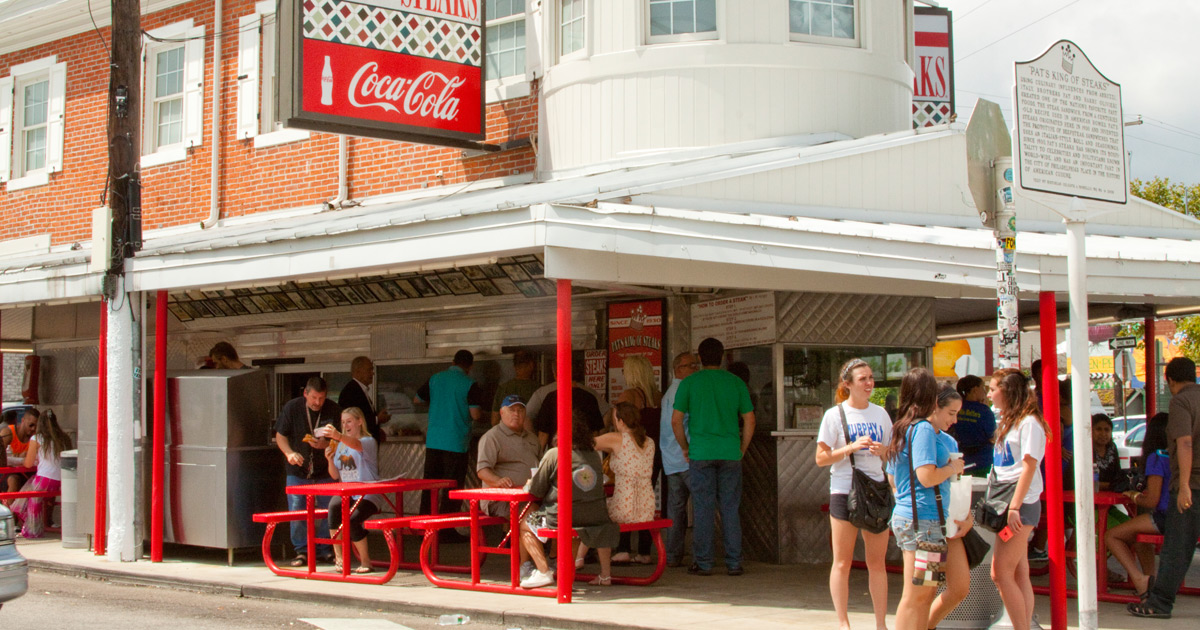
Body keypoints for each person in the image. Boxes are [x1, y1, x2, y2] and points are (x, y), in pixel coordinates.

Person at [816, 357, 892, 630]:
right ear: (847, 385)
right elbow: (821, 458)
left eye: (871, 378)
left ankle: (881, 623)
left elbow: (892, 453)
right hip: (844, 491)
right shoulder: (834, 415)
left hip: (876, 491)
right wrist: (850, 448)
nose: (869, 383)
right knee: (842, 562)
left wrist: (882, 451)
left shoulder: (881, 414)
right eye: (863, 379)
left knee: (877, 562)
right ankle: (843, 622)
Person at [670, 337, 755, 577]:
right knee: (730, 507)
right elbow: (750, 419)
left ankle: (704, 562)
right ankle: (734, 562)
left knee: (703, 508)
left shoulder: (689, 383)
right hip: (730, 453)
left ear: (699, 358)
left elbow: (676, 420)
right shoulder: (736, 382)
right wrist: (742, 448)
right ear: (722, 356)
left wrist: (685, 447)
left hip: (700, 453)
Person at [1130, 356, 1200, 620]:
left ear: (1169, 380)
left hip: (1192, 484)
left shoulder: (1181, 401)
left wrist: (1183, 486)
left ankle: (1159, 603)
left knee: (1177, 548)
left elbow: (1184, 443)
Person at [519, 412, 619, 589]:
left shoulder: (554, 454)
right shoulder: (594, 455)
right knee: (572, 536)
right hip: (594, 516)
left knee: (525, 524)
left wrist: (529, 483)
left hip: (562, 515)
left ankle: (543, 571)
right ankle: (568, 576)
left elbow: (536, 489)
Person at [987, 368, 1048, 630]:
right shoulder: (1008, 421)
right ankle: (1023, 625)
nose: (989, 394)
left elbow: (1029, 467)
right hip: (1006, 503)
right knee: (1019, 570)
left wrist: (1014, 507)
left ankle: (1021, 627)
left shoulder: (1029, 424)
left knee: (1000, 573)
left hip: (1018, 507)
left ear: (1007, 391)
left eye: (992, 388)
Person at [577, 402, 656, 568]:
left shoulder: (617, 438)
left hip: (625, 506)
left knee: (594, 515)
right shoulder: (649, 442)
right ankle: (585, 560)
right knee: (600, 515)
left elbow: (586, 444)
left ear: (621, 422)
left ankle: (578, 558)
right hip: (647, 507)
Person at [274, 376, 341, 565]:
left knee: (329, 509)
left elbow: (342, 438)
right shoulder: (292, 407)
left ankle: (326, 548)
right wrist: (289, 453)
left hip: (325, 469)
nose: (317, 403)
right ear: (305, 393)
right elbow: (280, 435)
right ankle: (302, 551)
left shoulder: (334, 409)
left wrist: (327, 444)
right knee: (297, 510)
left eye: (321, 398)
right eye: (313, 398)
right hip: (298, 470)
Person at [1106, 412, 1171, 600]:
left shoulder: (1157, 457)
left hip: (1164, 517)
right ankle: (1151, 580)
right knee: (1138, 536)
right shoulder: (1180, 455)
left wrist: (1134, 495)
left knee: (1111, 535)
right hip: (1183, 516)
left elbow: (1152, 501)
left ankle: (1139, 579)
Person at [414, 349, 485, 516]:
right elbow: (475, 415)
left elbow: (417, 400)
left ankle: (424, 525)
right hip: (456, 443)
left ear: (453, 362)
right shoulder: (470, 383)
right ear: (470, 366)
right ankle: (447, 528)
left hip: (433, 441)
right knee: (452, 488)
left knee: (429, 486)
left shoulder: (435, 379)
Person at [607, 355, 661, 563]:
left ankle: (623, 548)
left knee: (624, 497)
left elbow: (618, 425)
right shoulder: (657, 396)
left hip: (630, 453)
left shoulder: (629, 395)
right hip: (651, 453)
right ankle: (645, 551)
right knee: (645, 499)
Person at [322, 407, 383, 574]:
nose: (345, 425)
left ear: (359, 421)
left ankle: (366, 561)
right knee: (333, 508)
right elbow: (335, 474)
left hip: (367, 494)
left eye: (349, 421)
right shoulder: (341, 445)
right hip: (348, 491)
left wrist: (338, 436)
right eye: (343, 422)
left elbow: (357, 445)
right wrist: (329, 459)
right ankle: (339, 557)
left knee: (352, 519)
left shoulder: (368, 441)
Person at [659, 351, 700, 567]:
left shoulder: (668, 393)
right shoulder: (685, 391)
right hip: (686, 457)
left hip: (671, 460)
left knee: (676, 510)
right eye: (692, 365)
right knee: (702, 505)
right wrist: (686, 448)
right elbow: (678, 423)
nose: (696, 369)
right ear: (679, 369)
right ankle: (700, 556)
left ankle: (673, 556)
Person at [10, 409, 72, 538]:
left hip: (44, 480)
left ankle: (32, 529)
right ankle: (40, 523)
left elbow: (28, 464)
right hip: (61, 480)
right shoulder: (64, 438)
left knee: (29, 496)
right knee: (30, 486)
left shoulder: (36, 438)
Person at [476, 394, 540, 517]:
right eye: (511, 410)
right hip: (499, 499)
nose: (516, 414)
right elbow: (482, 471)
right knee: (533, 514)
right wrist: (498, 481)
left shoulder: (532, 438)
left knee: (559, 511)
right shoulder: (492, 437)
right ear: (501, 412)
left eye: (520, 410)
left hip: (531, 495)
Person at [338, 356, 390, 443]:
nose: (372, 373)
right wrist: (377, 419)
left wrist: (377, 428)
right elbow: (352, 420)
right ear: (358, 372)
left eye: (372, 370)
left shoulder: (360, 389)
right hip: (359, 445)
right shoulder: (350, 391)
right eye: (369, 370)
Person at [953, 375, 996, 475]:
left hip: (961, 460)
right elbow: (992, 435)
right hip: (982, 461)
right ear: (975, 390)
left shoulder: (956, 408)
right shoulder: (984, 410)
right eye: (983, 388)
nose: (985, 392)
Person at [490, 350, 540, 427]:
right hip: (531, 436)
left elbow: (494, 421)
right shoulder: (539, 389)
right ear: (531, 365)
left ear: (514, 367)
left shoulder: (503, 388)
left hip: (506, 436)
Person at [1, 407, 37, 494]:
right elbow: (2, 458)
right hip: (6, 474)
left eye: (36, 426)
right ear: (23, 420)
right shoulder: (8, 433)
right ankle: (9, 507)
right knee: (14, 480)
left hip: (28, 473)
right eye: (31, 425)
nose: (33, 429)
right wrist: (20, 458)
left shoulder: (36, 438)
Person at [1092, 414, 1124, 491]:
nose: (1103, 434)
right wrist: (1111, 485)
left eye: (1107, 430)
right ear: (1091, 430)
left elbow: (1118, 474)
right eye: (1098, 429)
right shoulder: (1084, 449)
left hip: (1110, 496)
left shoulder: (1112, 448)